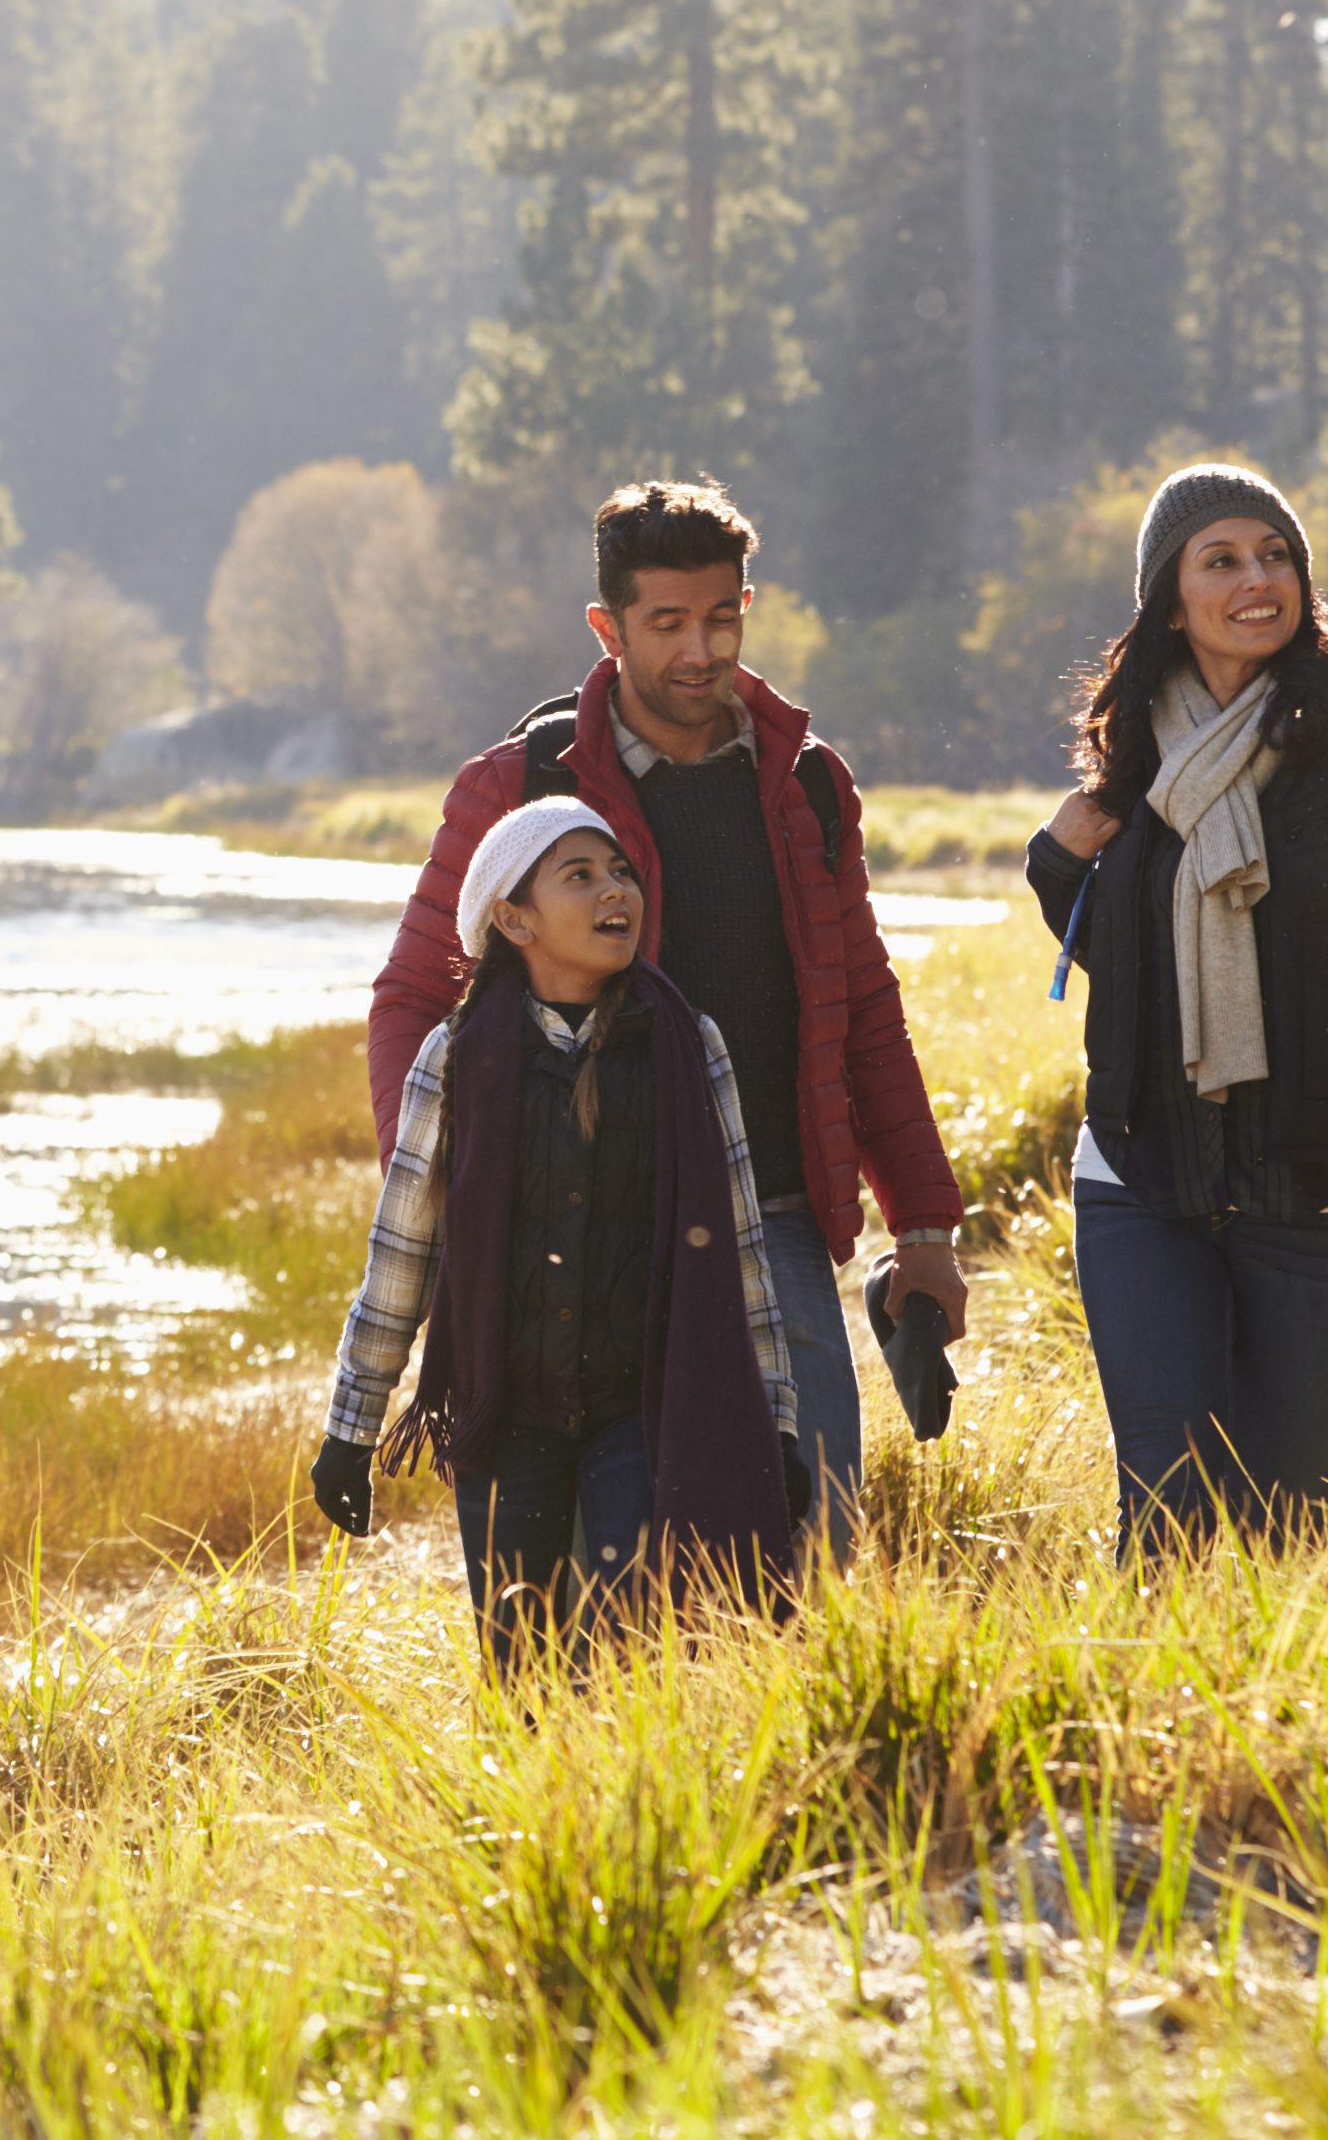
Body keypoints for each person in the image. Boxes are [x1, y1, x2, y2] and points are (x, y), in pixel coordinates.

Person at [369, 481, 964, 1536]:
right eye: (667, 623)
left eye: (722, 616)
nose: (700, 648)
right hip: (572, 1227)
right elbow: (417, 995)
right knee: (582, 1572)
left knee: (809, 1533)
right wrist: (452, 1196)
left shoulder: (808, 783)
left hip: (765, 1217)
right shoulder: (519, 785)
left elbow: (862, 1003)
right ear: (607, 628)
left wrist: (921, 1226)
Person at [1027, 465, 1328, 1552]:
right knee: (1161, 1503)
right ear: (1170, 597)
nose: (1258, 579)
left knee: (1281, 1512)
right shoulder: (1131, 764)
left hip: (1320, 1188)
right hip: (1142, 1171)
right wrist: (1052, 854)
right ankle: (1143, 1718)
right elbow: (1096, 938)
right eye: (1222, 559)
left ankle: (1264, 1721)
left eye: (1276, 556)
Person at [309, 797, 803, 1664]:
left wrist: (777, 1424)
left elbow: (739, 1251)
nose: (616, 892)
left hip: (642, 1408)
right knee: (518, 1669)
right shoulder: (456, 1054)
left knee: (629, 1653)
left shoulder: (690, 1044)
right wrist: (352, 1429)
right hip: (507, 1415)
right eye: (580, 876)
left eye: (621, 873)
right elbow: (403, 1253)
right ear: (514, 917)